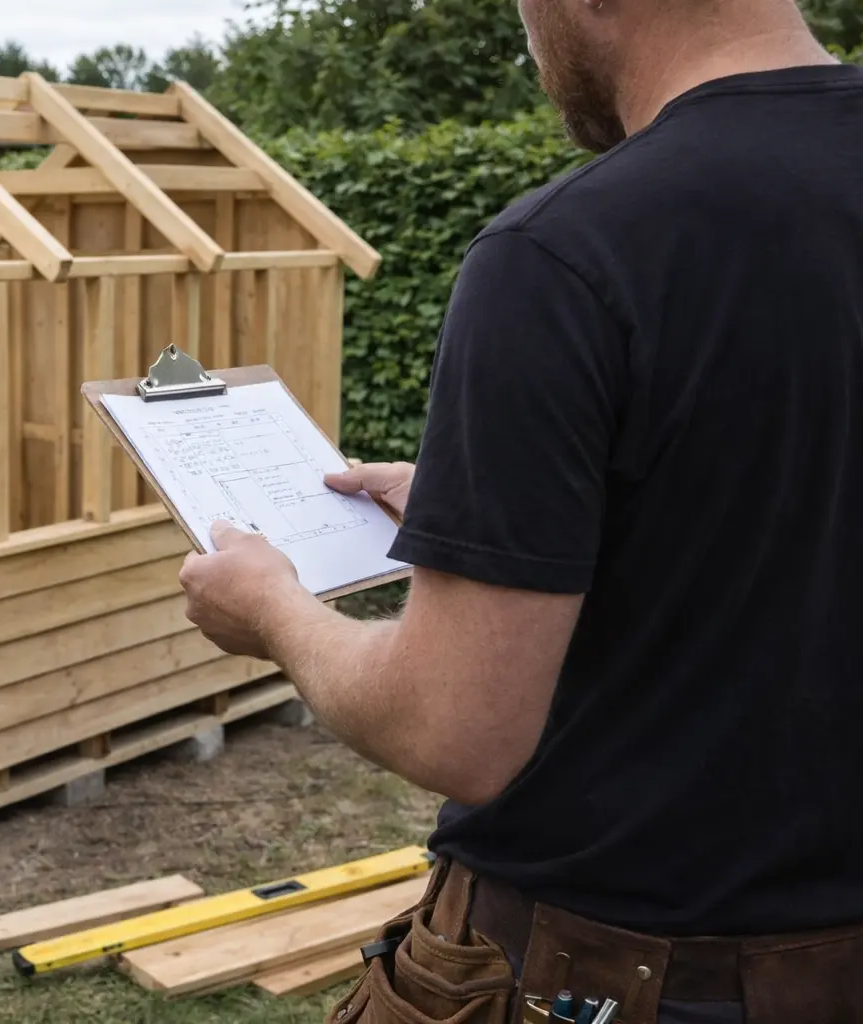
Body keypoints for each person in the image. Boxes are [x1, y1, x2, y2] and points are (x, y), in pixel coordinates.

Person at [176, 0, 863, 1021]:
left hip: (611, 973)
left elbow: (454, 727)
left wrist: (273, 610)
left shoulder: (564, 254)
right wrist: (508, 514)